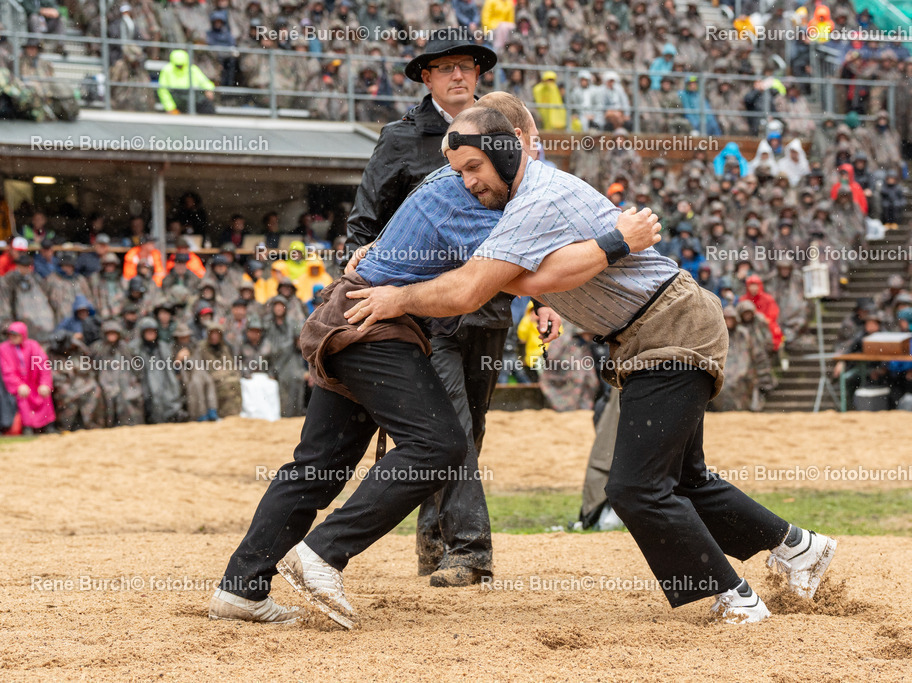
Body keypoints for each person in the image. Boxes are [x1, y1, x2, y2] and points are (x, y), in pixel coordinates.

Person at [344, 106, 837, 625]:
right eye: (459, 172)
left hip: (670, 329)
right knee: (683, 478)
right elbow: (500, 265)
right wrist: (383, 250)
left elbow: (477, 285)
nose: (466, 182)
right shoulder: (513, 200)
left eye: (472, 168)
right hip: (656, 327)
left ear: (509, 148)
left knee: (634, 488)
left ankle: (733, 596)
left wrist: (397, 295)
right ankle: (800, 548)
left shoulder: (540, 197)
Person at [209, 108, 660, 626]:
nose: (533, 157)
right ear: (513, 141)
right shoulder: (469, 194)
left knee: (318, 466)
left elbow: (518, 262)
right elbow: (515, 275)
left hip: (355, 316)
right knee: (439, 445)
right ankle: (321, 552)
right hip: (373, 324)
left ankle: (240, 589)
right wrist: (617, 240)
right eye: (528, 143)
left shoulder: (461, 182)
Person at [343, 33, 537, 588]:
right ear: (425, 77)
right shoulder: (400, 139)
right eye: (445, 68)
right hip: (426, 310)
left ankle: (435, 545)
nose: (458, 76)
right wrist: (362, 255)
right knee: (449, 425)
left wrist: (540, 300)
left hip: (491, 306)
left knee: (466, 430)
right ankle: (470, 551)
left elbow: (528, 221)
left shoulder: (505, 134)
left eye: (467, 67)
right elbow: (365, 222)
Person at [0, 321, 55, 433]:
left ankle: (49, 425)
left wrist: (45, 383)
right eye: (11, 334)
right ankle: (28, 427)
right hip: (19, 385)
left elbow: (43, 365)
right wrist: (18, 385)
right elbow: (7, 371)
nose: (12, 337)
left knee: (44, 395)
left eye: (16, 335)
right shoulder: (3, 349)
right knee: (23, 398)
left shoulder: (33, 345)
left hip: (34, 382)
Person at [89, 320, 145, 427]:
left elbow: (135, 364)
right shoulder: (97, 347)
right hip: (103, 381)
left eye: (114, 333)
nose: (112, 336)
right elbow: (91, 364)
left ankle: (126, 424)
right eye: (109, 333)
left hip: (123, 381)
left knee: (127, 400)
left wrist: (135, 378)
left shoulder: (125, 347)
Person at [158, 49, 216, 115]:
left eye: (182, 65)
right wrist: (170, 108)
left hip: (192, 95)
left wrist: (208, 89)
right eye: (178, 65)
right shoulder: (167, 70)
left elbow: (204, 81)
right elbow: (163, 90)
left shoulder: (192, 69)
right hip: (177, 97)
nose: (180, 67)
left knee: (208, 107)